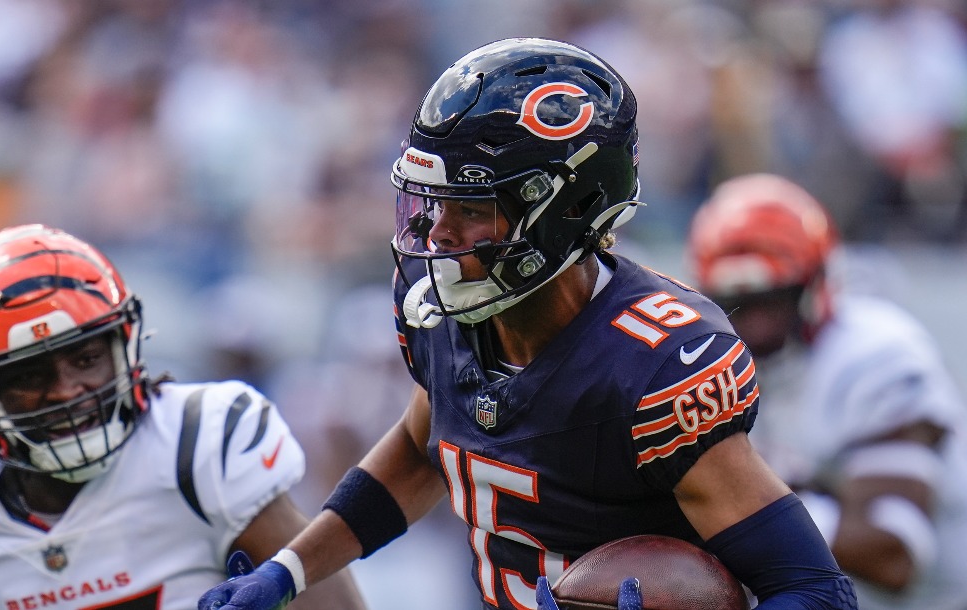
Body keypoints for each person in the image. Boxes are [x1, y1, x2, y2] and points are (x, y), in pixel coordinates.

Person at [198, 37, 858, 610]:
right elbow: (423, 450)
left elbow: (817, 591)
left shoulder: (653, 367)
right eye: (433, 204)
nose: (439, 234)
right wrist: (288, 571)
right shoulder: (446, 314)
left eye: (471, 208)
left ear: (569, 209)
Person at [0, 224, 366, 610]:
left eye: (86, 358)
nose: (67, 390)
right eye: (30, 374)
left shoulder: (199, 446)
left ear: (125, 346)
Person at [687, 173, 967, 610]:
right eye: (737, 304)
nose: (754, 325)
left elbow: (894, 555)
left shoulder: (875, 357)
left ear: (815, 285)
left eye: (772, 299)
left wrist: (748, 501)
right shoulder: (713, 368)